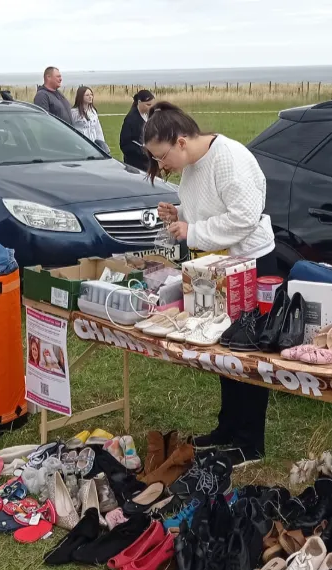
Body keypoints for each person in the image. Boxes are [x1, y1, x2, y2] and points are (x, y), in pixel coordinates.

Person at [145, 102, 277, 466]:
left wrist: (194, 230)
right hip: (217, 263)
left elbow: (244, 217)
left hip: (251, 262)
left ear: (182, 141)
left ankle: (251, 442)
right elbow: (205, 208)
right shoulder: (191, 165)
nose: (161, 166)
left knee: (246, 352)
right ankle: (228, 427)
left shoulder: (229, 158)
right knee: (220, 344)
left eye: (162, 157)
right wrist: (181, 215)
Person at [118, 89, 155, 172]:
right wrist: (142, 151)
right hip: (137, 163)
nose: (151, 107)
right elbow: (124, 144)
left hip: (149, 160)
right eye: (148, 105)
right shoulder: (131, 119)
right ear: (139, 102)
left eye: (152, 105)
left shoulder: (149, 116)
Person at [70, 86, 107, 152]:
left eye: (91, 94)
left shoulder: (93, 111)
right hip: (80, 146)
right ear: (81, 97)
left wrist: (102, 144)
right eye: (87, 95)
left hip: (93, 145)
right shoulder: (74, 112)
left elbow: (98, 129)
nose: (90, 97)